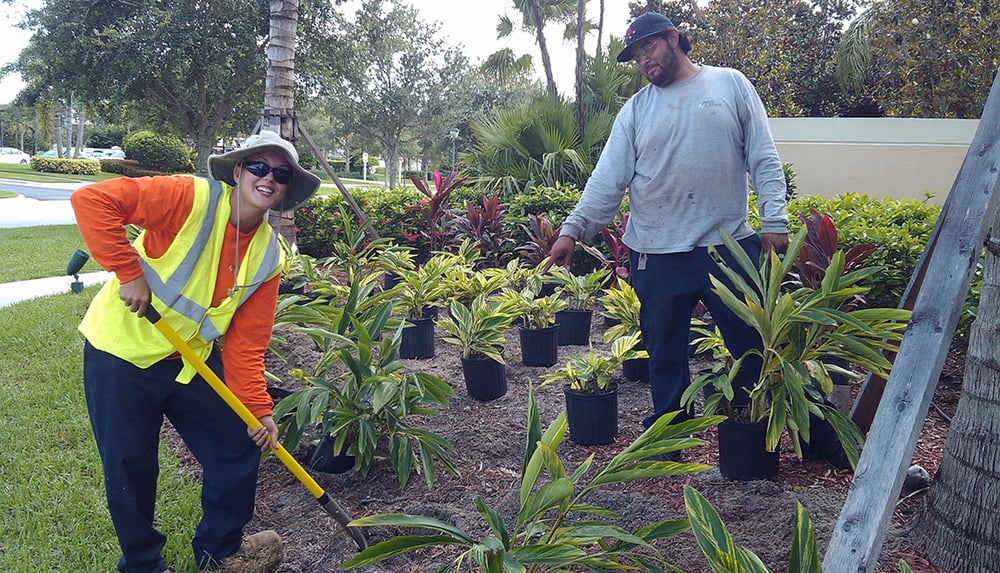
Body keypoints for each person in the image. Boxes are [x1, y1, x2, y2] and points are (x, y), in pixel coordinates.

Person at [546, 12, 847, 468]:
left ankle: (816, 435)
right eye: (635, 55)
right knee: (664, 355)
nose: (643, 60)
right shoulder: (636, 111)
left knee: (759, 348)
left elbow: (763, 158)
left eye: (648, 47)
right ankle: (668, 437)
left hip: (727, 250)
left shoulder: (730, 85)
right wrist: (573, 230)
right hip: (657, 253)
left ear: (673, 39)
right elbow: (606, 181)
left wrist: (775, 220)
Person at [71, 130, 321, 573]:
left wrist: (259, 411)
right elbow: (93, 200)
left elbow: (246, 345)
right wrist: (128, 273)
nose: (269, 179)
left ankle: (219, 553)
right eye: (259, 167)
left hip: (188, 361)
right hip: (120, 352)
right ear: (239, 170)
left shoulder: (268, 256)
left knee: (237, 443)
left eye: (280, 174)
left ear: (287, 187)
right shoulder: (190, 197)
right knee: (131, 464)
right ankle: (144, 564)